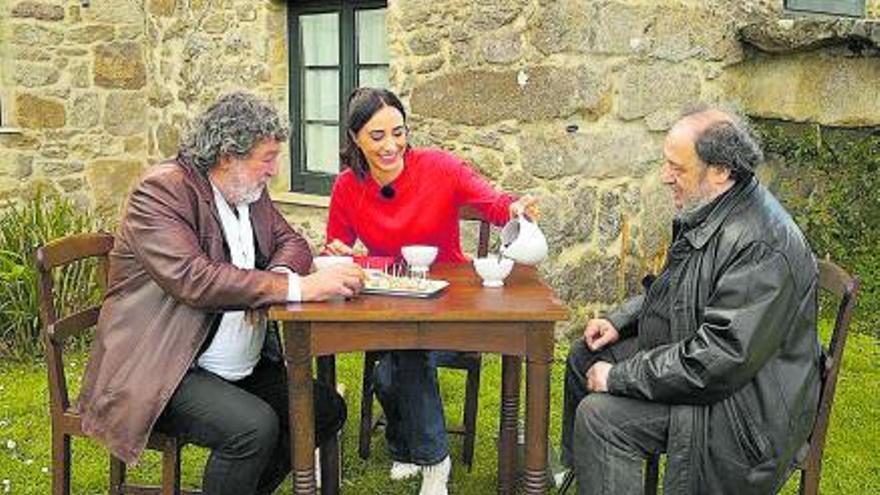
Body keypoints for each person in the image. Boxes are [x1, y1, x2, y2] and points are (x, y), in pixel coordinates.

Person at [77, 92, 365, 495]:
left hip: (236, 364)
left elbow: (293, 243)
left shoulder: (247, 190)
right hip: (165, 367)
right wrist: (296, 287)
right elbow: (194, 279)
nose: (274, 170)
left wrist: (276, 280)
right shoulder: (160, 192)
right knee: (253, 429)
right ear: (228, 154)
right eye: (267, 158)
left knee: (323, 409)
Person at [559, 107, 821, 494]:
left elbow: (717, 360)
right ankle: (586, 474)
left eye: (677, 168)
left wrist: (618, 378)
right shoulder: (714, 208)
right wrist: (622, 319)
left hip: (742, 410)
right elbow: (675, 288)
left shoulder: (763, 245)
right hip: (712, 368)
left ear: (720, 171)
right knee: (584, 356)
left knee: (602, 418)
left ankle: (602, 458)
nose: (666, 177)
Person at [323, 87, 538, 495]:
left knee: (406, 355)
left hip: (451, 310)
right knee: (389, 375)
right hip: (389, 308)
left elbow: (492, 202)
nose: (391, 146)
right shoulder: (348, 187)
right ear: (355, 138)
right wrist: (338, 251)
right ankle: (404, 447)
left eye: (398, 132)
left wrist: (513, 208)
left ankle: (434, 462)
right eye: (377, 136)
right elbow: (336, 248)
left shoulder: (439, 167)